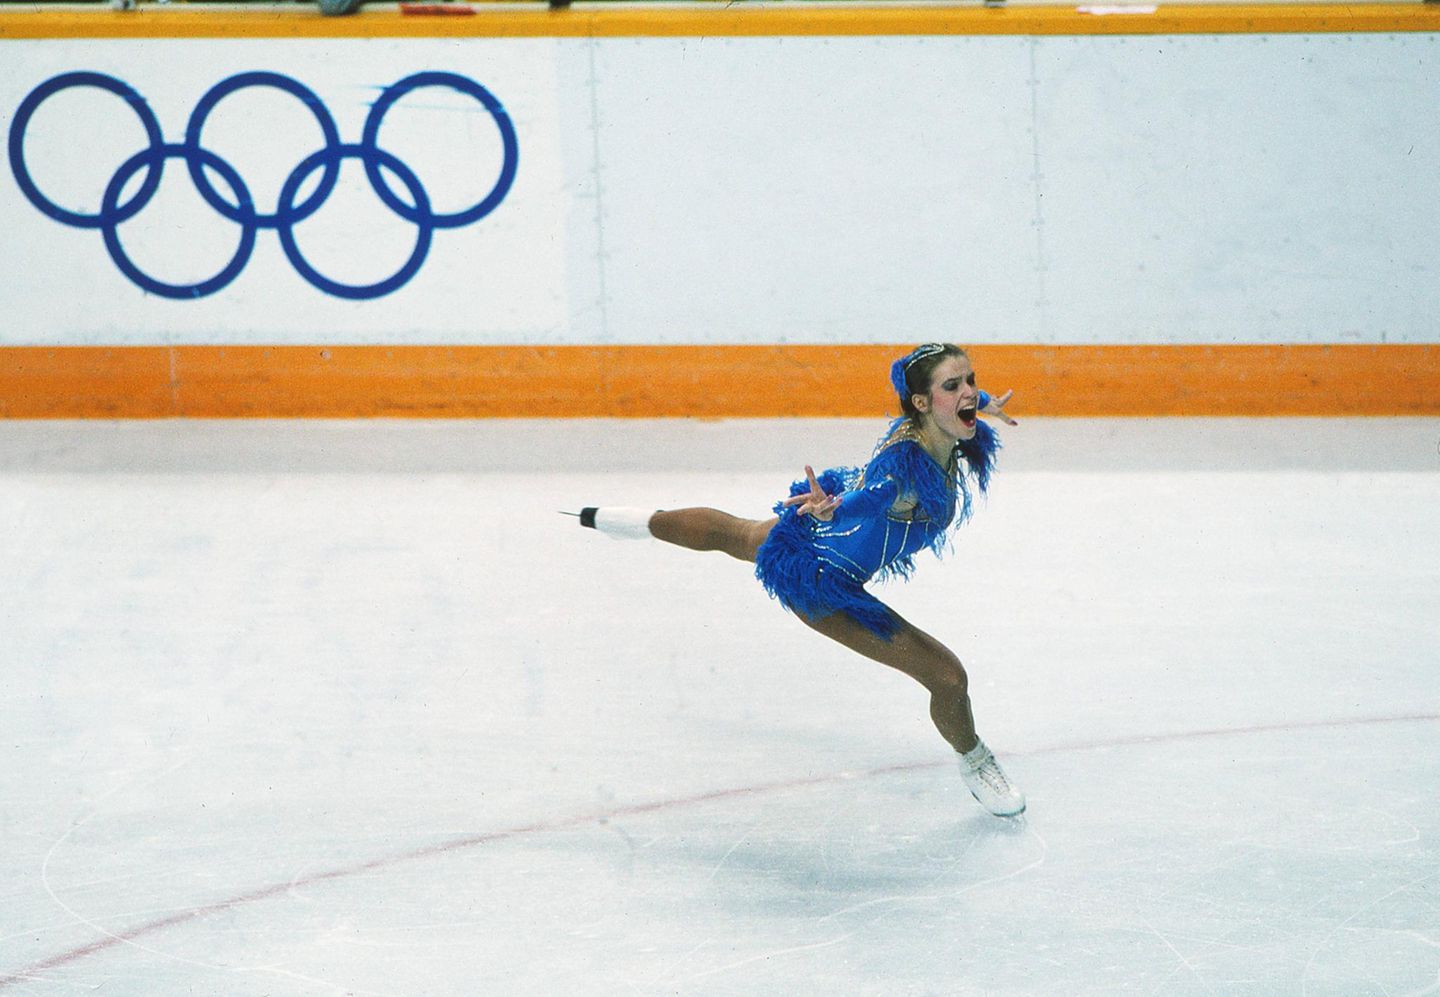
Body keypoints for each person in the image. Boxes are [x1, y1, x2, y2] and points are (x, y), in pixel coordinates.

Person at [571, 344, 1026, 817]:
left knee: (739, 534)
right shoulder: (901, 472)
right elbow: (872, 499)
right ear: (921, 404)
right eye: (954, 386)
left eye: (971, 380)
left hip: (818, 530)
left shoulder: (939, 423)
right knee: (948, 677)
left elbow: (957, 404)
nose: (969, 392)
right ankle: (975, 760)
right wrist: (835, 508)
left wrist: (981, 402)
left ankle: (626, 519)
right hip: (824, 580)